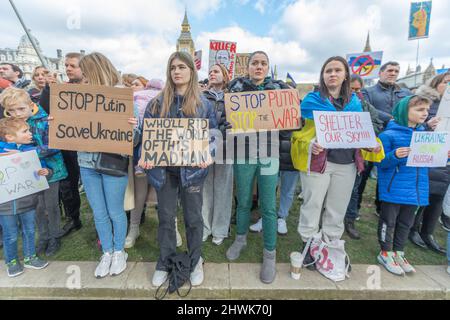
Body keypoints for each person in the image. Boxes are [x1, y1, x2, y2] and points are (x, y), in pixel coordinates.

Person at [291, 56, 382, 270]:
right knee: (312, 204)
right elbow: (299, 134)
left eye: (337, 70)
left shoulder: (357, 103)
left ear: (345, 75)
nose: (332, 74)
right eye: (328, 70)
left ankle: (331, 246)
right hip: (318, 163)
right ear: (322, 75)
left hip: (347, 163)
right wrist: (311, 144)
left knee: (337, 207)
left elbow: (366, 130)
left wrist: (372, 144)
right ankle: (308, 246)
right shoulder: (311, 101)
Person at [139, 51, 217, 287]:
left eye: (182, 67)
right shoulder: (156, 103)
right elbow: (147, 135)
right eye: (173, 67)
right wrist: (146, 155)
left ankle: (195, 260)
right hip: (164, 172)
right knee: (165, 218)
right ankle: (165, 261)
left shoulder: (204, 104)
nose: (177, 71)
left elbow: (214, 136)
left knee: (193, 219)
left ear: (191, 71)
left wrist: (209, 154)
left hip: (192, 170)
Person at [58, 52, 138, 278]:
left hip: (112, 162)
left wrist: (134, 126)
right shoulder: (78, 95)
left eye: (84, 69)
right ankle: (107, 251)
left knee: (115, 210)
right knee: (99, 212)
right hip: (86, 161)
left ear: (95, 70)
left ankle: (119, 251)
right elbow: (70, 127)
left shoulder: (122, 95)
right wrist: (58, 123)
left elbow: (137, 136)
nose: (80, 73)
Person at [226, 51, 289, 284]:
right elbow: (225, 118)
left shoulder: (280, 90)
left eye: (263, 63)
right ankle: (240, 239)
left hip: (269, 152)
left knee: (269, 206)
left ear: (268, 67)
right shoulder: (236, 89)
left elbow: (292, 122)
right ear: (248, 66)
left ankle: (269, 253)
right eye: (255, 63)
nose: (259, 67)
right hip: (243, 152)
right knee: (243, 200)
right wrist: (228, 122)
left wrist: (291, 120)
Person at [0, 87, 68, 256]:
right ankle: (43, 237)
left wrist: (26, 153)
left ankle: (55, 236)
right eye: (12, 110)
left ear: (31, 104)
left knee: (51, 206)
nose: (17, 113)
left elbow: (55, 145)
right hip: (27, 173)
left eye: (21, 109)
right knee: (36, 206)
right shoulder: (12, 123)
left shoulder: (47, 119)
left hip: (51, 170)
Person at [375, 95, 437, 275]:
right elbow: (379, 163)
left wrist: (443, 155)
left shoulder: (425, 136)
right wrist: (394, 155)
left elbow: (430, 161)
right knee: (389, 221)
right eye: (419, 109)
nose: (425, 113)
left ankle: (399, 252)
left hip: (416, 189)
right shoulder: (387, 135)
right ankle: (385, 252)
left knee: (406, 223)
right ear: (404, 112)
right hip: (394, 189)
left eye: (426, 110)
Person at [358, 62, 412, 217]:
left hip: (397, 141)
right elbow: (366, 108)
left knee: (388, 174)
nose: (393, 73)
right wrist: (393, 119)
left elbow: (411, 109)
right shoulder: (368, 91)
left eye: (396, 71)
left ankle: (381, 208)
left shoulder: (405, 93)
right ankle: (354, 207)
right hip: (373, 138)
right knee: (363, 174)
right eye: (389, 70)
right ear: (380, 73)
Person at [0, 117, 50, 277]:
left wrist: (46, 172)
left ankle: (30, 257)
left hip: (28, 201)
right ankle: (12, 261)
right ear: (9, 137)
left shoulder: (29, 151)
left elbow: (40, 170)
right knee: (10, 234)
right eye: (25, 131)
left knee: (29, 230)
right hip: (5, 205)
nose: (30, 133)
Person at [40, 53, 83, 238]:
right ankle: (73, 218)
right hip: (68, 145)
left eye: (72, 65)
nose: (67, 69)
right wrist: (49, 89)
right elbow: (45, 109)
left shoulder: (96, 88)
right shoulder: (60, 89)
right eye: (66, 65)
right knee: (68, 185)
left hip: (93, 145)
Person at [409, 72, 450, 253]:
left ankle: (428, 232)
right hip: (427, 156)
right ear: (437, 84)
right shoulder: (423, 103)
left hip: (446, 160)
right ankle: (413, 228)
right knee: (423, 194)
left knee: (439, 197)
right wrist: (427, 125)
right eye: (447, 83)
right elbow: (410, 128)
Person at [124, 78, 163, 249]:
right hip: (146, 151)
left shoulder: (160, 99)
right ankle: (134, 228)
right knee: (146, 194)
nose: (134, 87)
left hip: (156, 151)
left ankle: (169, 227)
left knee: (160, 193)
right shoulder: (134, 101)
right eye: (132, 84)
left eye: (137, 84)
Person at [344, 74, 383, 240]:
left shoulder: (366, 106)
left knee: (354, 190)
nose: (354, 92)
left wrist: (363, 130)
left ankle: (350, 220)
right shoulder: (336, 104)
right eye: (351, 89)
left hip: (357, 157)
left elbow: (378, 124)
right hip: (336, 155)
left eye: (358, 89)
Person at [201, 64, 233, 245]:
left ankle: (220, 229)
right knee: (205, 189)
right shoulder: (200, 96)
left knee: (223, 188)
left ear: (225, 75)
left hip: (226, 148)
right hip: (204, 147)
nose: (212, 74)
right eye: (210, 72)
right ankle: (205, 227)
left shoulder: (234, 97)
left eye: (216, 71)